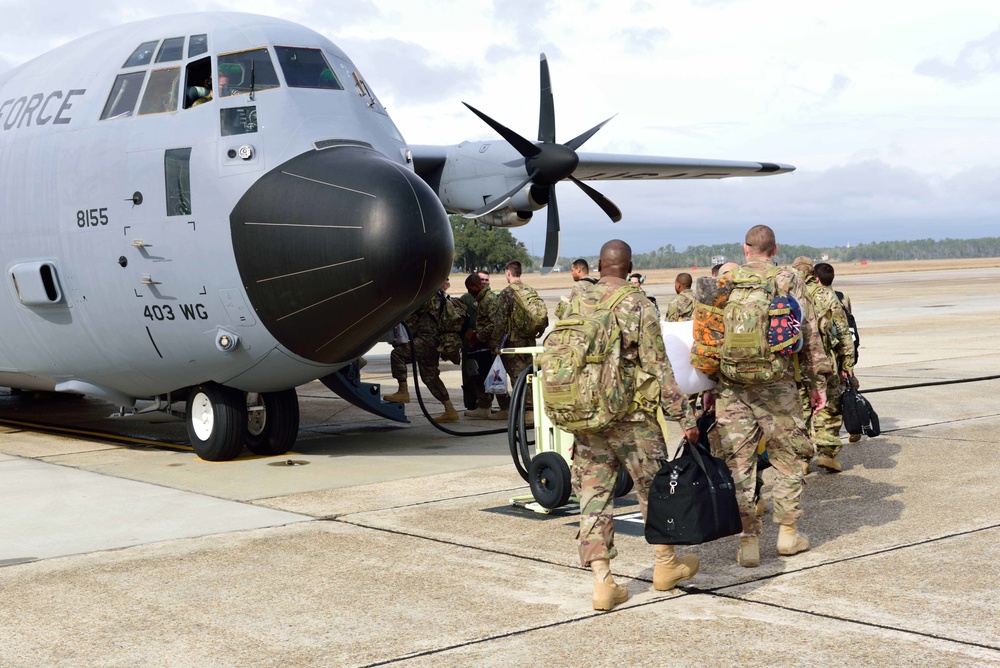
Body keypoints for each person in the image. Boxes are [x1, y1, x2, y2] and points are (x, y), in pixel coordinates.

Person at [571, 239, 699, 611]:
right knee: (654, 491)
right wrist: (685, 419)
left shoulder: (577, 300)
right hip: (632, 419)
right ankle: (665, 565)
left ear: (598, 265)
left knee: (594, 497)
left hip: (589, 418)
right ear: (629, 267)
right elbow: (659, 367)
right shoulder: (638, 303)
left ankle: (602, 584)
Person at [706, 225, 831, 568]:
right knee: (788, 457)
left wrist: (706, 387)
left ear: (745, 249)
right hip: (777, 385)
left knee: (739, 462)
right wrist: (818, 382)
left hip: (732, 387)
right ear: (774, 249)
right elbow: (810, 333)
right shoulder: (788, 279)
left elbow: (706, 337)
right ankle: (788, 534)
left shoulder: (726, 281)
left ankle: (748, 541)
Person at [384, 281, 460, 423]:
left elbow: (409, 315)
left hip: (426, 340)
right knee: (430, 377)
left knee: (397, 355)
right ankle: (450, 410)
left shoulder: (429, 297)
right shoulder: (439, 297)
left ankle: (403, 391)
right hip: (434, 342)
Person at [811, 262, 858, 458]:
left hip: (802, 363)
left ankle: (804, 458)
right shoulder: (837, 297)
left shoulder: (800, 295)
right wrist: (848, 363)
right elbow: (846, 331)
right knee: (830, 406)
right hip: (829, 359)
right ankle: (827, 453)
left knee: (804, 406)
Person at [489, 261, 545, 420]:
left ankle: (528, 411)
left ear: (508, 273)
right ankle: (534, 408)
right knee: (531, 374)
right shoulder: (529, 290)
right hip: (530, 341)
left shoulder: (507, 293)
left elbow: (499, 321)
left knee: (518, 376)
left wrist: (495, 343)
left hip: (514, 342)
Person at [460, 273, 499, 418]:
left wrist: (479, 336)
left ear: (476, 286)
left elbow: (494, 323)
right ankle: (484, 406)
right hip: (481, 345)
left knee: (493, 378)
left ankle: (505, 407)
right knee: (479, 375)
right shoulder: (482, 299)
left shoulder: (489, 300)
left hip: (488, 344)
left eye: (471, 289)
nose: (470, 292)